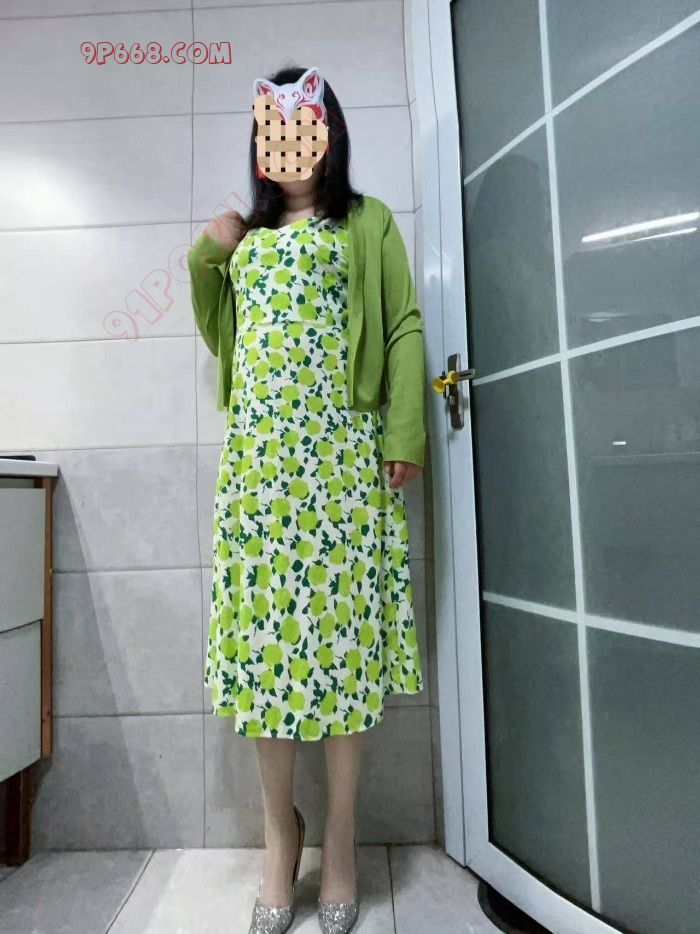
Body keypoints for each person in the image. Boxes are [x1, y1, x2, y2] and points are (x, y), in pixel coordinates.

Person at [187, 64, 426, 934]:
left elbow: (401, 324)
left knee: (342, 650)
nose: (288, 143)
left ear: (327, 133)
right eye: (273, 130)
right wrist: (208, 255)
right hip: (259, 473)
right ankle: (278, 836)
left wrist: (404, 435)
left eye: (303, 125)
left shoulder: (367, 222)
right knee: (265, 656)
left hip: (341, 470)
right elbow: (220, 334)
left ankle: (342, 835)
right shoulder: (244, 237)